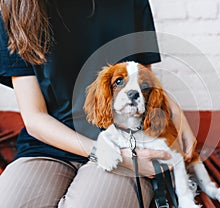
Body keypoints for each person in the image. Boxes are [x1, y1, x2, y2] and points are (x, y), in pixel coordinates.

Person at [0, 0, 197, 207]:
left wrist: (175, 111)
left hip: (128, 144)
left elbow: (141, 80)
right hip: (48, 146)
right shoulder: (17, 7)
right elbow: (35, 118)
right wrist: (108, 154)